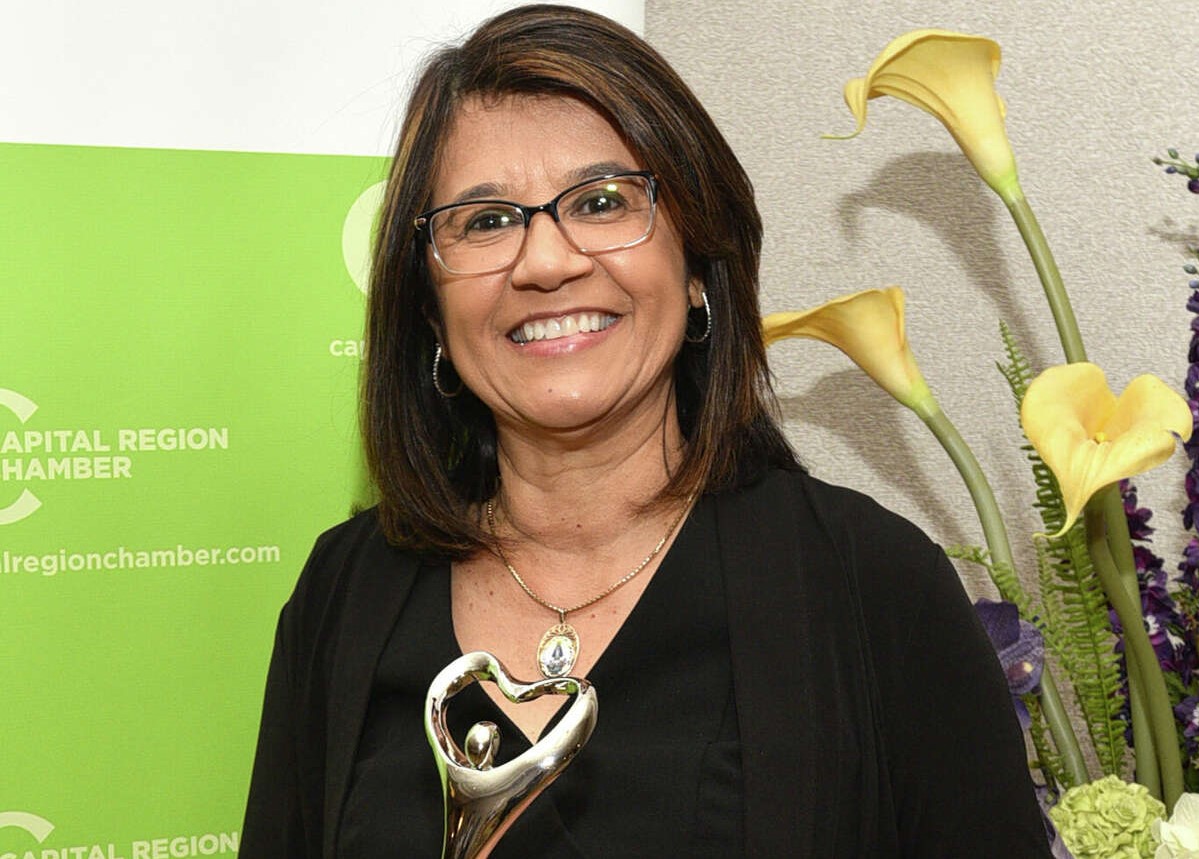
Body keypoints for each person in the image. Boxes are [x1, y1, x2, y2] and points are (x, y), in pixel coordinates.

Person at [240, 5, 1052, 857]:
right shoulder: (345, 594)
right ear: (430, 309)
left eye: (601, 202)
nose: (545, 261)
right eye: (485, 221)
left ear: (698, 263)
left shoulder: (872, 588)